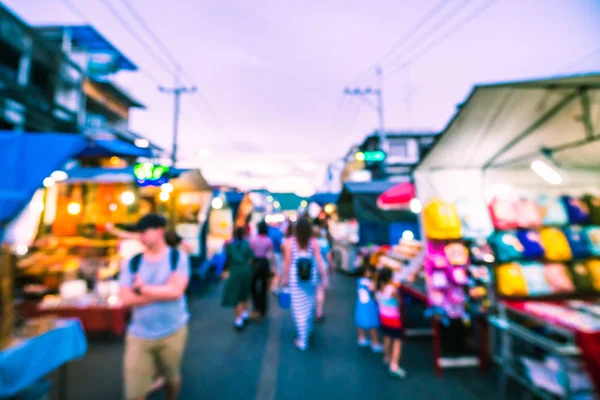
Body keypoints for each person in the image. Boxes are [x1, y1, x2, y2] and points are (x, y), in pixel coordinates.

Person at [118, 214, 190, 400]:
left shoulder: (177, 257)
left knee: (171, 378)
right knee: (134, 392)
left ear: (159, 231)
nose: (141, 236)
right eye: (138, 233)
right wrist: (161, 292)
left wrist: (142, 289)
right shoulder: (132, 262)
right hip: (139, 335)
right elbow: (125, 298)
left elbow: (176, 292)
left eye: (144, 231)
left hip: (172, 331)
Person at [281, 217, 328, 351]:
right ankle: (307, 328)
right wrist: (324, 277)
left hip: (295, 279)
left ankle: (302, 339)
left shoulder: (290, 242)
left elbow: (287, 262)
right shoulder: (313, 242)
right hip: (311, 278)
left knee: (297, 307)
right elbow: (319, 260)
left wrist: (284, 278)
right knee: (308, 305)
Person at [221, 226, 254, 330]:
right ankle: (244, 313)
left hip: (235, 271)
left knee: (236, 294)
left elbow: (227, 258)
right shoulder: (246, 244)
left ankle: (239, 318)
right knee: (244, 292)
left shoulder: (230, 246)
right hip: (246, 270)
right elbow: (251, 257)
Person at [376, 268, 406, 379]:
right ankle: (394, 365)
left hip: (383, 318)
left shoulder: (378, 288)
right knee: (397, 341)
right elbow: (399, 301)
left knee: (387, 336)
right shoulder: (391, 289)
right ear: (389, 278)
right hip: (393, 319)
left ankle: (386, 356)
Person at [354, 264, 382, 352]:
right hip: (368, 305)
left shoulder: (359, 280)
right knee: (372, 324)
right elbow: (374, 288)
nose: (370, 273)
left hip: (360, 304)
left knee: (360, 321)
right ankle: (375, 343)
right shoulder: (368, 282)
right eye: (369, 271)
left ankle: (361, 338)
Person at [250, 221, 274, 319]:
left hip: (255, 263)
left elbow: (251, 253)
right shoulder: (268, 240)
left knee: (253, 286)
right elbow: (271, 255)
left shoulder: (253, 240)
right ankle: (263, 310)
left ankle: (256, 308)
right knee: (264, 287)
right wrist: (273, 267)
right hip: (264, 263)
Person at [313, 225, 331, 321]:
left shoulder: (309, 243)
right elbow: (329, 257)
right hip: (323, 267)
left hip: (312, 268)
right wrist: (331, 267)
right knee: (320, 290)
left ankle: (311, 310)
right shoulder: (325, 242)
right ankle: (319, 311)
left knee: (312, 290)